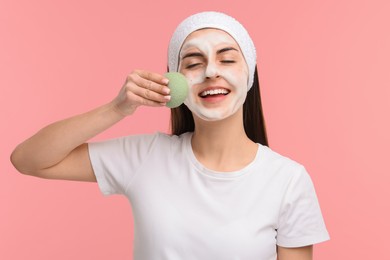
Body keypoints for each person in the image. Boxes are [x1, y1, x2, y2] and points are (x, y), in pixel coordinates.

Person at [11, 11, 329, 260]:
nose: (210, 72)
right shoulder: (146, 157)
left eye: (227, 59)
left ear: (249, 76)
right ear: (173, 81)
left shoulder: (288, 180)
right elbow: (28, 160)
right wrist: (116, 109)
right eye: (193, 62)